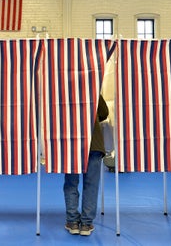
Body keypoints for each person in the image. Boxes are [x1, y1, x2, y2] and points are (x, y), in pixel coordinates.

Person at [64, 94, 109, 236]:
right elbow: (104, 113)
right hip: (93, 142)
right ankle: (86, 224)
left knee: (71, 182)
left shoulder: (61, 88)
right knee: (91, 184)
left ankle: (72, 222)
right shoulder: (93, 86)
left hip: (71, 142)